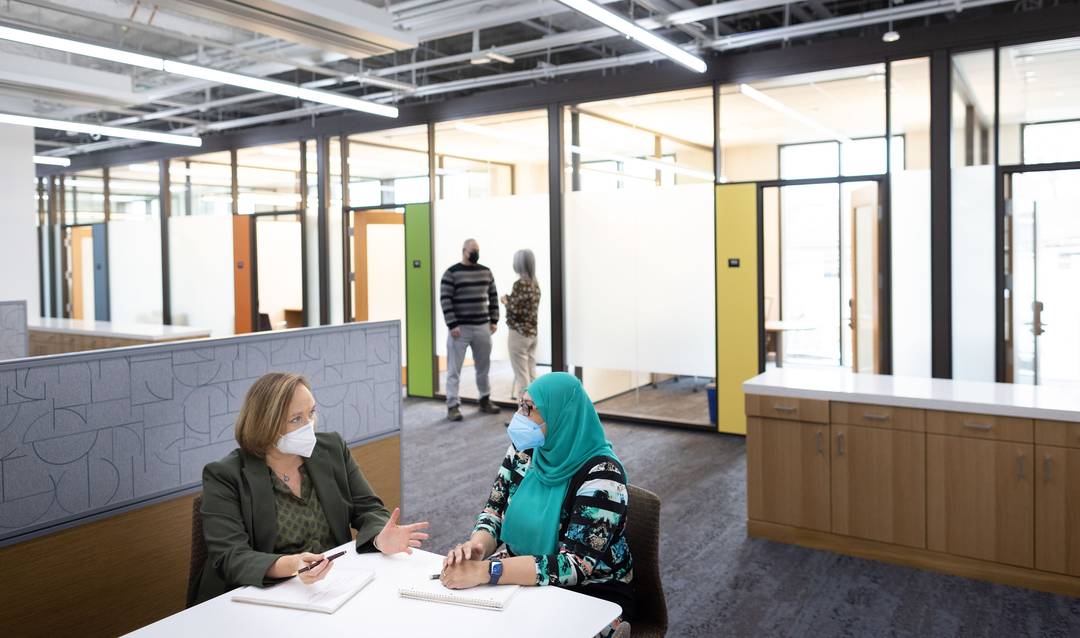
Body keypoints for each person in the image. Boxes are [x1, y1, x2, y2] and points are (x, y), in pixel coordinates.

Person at [187, 372, 430, 607]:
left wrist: (379, 537)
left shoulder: (332, 448)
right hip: (258, 597)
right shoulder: (225, 475)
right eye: (296, 419)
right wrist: (292, 565)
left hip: (330, 589)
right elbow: (230, 557)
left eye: (311, 413)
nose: (309, 425)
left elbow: (368, 508)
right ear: (265, 425)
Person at [439, 372, 634, 637]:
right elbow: (494, 511)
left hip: (590, 590)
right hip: (519, 571)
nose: (519, 414)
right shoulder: (525, 449)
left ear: (561, 415)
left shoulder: (603, 476)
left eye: (529, 408)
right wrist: (477, 548)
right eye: (521, 404)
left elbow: (574, 566)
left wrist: (488, 571)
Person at [440, 238, 501, 422]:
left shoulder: (486, 272)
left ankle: (484, 399)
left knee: (483, 367)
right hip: (460, 328)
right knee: (454, 369)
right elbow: (445, 299)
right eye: (472, 250)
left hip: (482, 326)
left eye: (477, 250)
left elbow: (493, 296)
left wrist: (494, 320)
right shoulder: (451, 273)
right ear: (464, 250)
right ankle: (452, 405)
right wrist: (452, 325)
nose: (475, 253)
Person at [500, 249, 541, 401]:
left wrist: (506, 301)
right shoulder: (534, 284)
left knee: (522, 378)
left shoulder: (520, 284)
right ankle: (537, 417)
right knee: (531, 376)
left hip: (519, 334)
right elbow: (526, 308)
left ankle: (525, 419)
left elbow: (514, 312)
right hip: (532, 334)